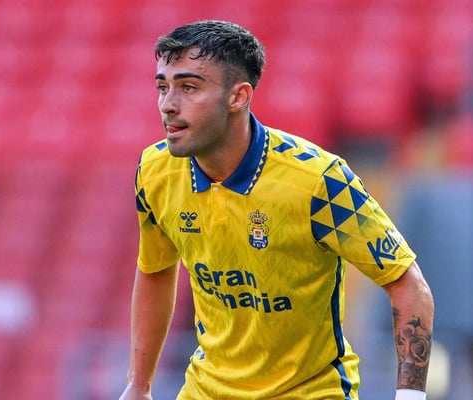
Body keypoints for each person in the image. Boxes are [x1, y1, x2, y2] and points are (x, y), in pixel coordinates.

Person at [119, 20, 434, 400]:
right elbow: (155, 271)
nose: (168, 105)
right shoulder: (155, 172)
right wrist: (139, 384)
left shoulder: (318, 181)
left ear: (238, 97)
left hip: (310, 392)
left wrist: (410, 396)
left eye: (189, 87)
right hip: (206, 390)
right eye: (163, 87)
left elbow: (408, 285)